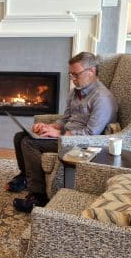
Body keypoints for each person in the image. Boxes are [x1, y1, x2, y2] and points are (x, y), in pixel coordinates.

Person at [8, 52, 117, 213]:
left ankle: (38, 197)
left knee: (29, 143)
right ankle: (25, 177)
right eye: (71, 74)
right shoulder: (76, 91)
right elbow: (65, 119)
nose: (72, 78)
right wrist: (49, 127)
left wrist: (58, 135)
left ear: (92, 71)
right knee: (20, 137)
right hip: (65, 136)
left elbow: (91, 134)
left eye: (76, 74)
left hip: (80, 144)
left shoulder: (102, 98)